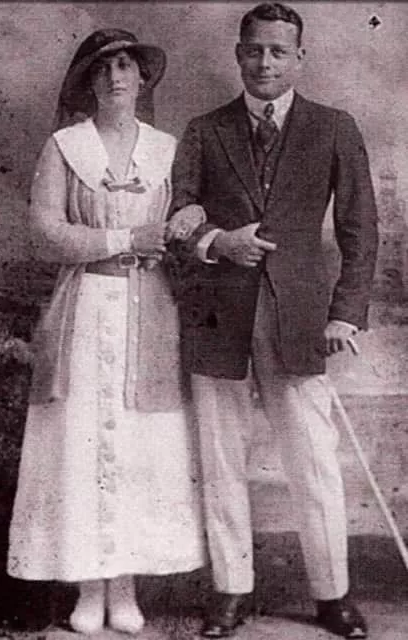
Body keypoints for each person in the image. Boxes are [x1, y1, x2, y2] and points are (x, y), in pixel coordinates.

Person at [168, 3, 378, 638]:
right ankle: (231, 592)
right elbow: (178, 214)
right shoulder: (204, 130)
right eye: (255, 50)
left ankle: (332, 596)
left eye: (278, 51)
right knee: (221, 458)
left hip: (302, 320)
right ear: (239, 54)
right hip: (217, 317)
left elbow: (360, 230)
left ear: (299, 58)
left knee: (313, 460)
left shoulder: (334, 127)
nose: (265, 62)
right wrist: (218, 242)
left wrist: (345, 315)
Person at [7, 28, 205, 636]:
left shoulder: (167, 150)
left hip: (151, 308)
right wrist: (123, 238)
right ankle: (88, 586)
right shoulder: (66, 147)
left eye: (125, 67)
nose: (116, 78)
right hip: (86, 305)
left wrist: (191, 215)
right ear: (88, 83)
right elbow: (46, 231)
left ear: (142, 78)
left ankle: (126, 586)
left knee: (142, 445)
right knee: (82, 440)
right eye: (103, 70)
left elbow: (190, 216)